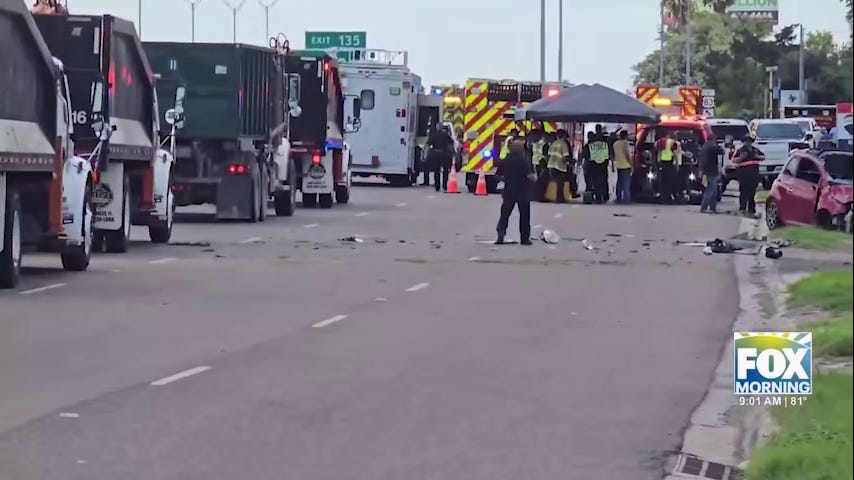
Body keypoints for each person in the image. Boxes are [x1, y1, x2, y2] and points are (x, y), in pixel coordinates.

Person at [495, 140, 534, 245]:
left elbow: (497, 176)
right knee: (524, 216)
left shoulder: (505, 161)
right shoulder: (524, 161)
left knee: (505, 214)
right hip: (523, 191)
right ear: (521, 150)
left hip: (509, 191)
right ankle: (524, 238)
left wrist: (506, 179)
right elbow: (531, 176)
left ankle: (501, 232)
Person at [733, 136, 764, 216]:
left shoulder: (755, 150)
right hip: (743, 174)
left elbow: (763, 157)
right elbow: (734, 160)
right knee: (743, 192)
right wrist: (741, 157)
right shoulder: (740, 150)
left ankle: (751, 209)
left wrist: (757, 157)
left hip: (754, 174)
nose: (748, 143)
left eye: (749, 141)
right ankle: (742, 208)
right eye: (746, 141)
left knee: (752, 192)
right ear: (743, 142)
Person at [698, 133, 724, 214]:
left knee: (712, 190)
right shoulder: (712, 147)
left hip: (706, 170)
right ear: (713, 139)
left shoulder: (704, 146)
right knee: (711, 190)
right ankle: (704, 207)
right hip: (711, 171)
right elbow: (721, 151)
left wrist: (701, 170)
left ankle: (712, 208)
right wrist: (721, 146)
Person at [427, 125, 453, 191]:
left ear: (437, 127)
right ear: (442, 128)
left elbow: (428, 144)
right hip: (444, 154)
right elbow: (451, 143)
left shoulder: (433, 134)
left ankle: (437, 186)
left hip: (436, 154)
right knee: (445, 170)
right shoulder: (445, 134)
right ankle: (444, 185)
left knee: (436, 171)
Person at [587, 130, 610, 204]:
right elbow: (608, 155)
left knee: (596, 182)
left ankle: (598, 197)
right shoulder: (605, 144)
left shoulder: (591, 145)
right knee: (604, 181)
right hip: (603, 165)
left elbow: (586, 155)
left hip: (594, 165)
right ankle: (605, 196)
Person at [655, 131, 679, 203]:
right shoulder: (673, 142)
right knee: (670, 180)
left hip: (662, 163)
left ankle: (662, 196)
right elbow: (675, 153)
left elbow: (658, 152)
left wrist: (658, 163)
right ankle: (669, 196)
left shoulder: (660, 142)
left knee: (662, 180)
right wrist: (677, 164)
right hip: (669, 163)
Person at [547, 130, 571, 203]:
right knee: (560, 183)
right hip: (560, 166)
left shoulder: (553, 143)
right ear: (564, 136)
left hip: (551, 165)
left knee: (554, 182)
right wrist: (568, 163)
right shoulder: (563, 144)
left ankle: (552, 197)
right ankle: (559, 198)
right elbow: (566, 156)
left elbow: (549, 154)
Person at [613, 130, 632, 203]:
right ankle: (626, 199)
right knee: (626, 183)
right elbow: (627, 154)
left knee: (619, 182)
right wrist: (631, 164)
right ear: (625, 136)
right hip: (626, 165)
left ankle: (619, 198)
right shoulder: (625, 143)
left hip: (618, 165)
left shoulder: (615, 143)